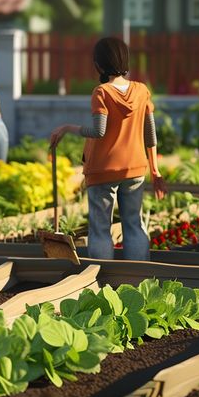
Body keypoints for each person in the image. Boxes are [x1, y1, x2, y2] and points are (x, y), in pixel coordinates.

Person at [49, 37, 166, 261]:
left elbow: (99, 131)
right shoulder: (142, 91)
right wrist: (155, 170)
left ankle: (102, 280)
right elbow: (150, 134)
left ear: (99, 64)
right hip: (135, 169)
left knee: (101, 228)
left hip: (103, 170)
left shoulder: (102, 92)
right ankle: (138, 279)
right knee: (134, 224)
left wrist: (67, 127)